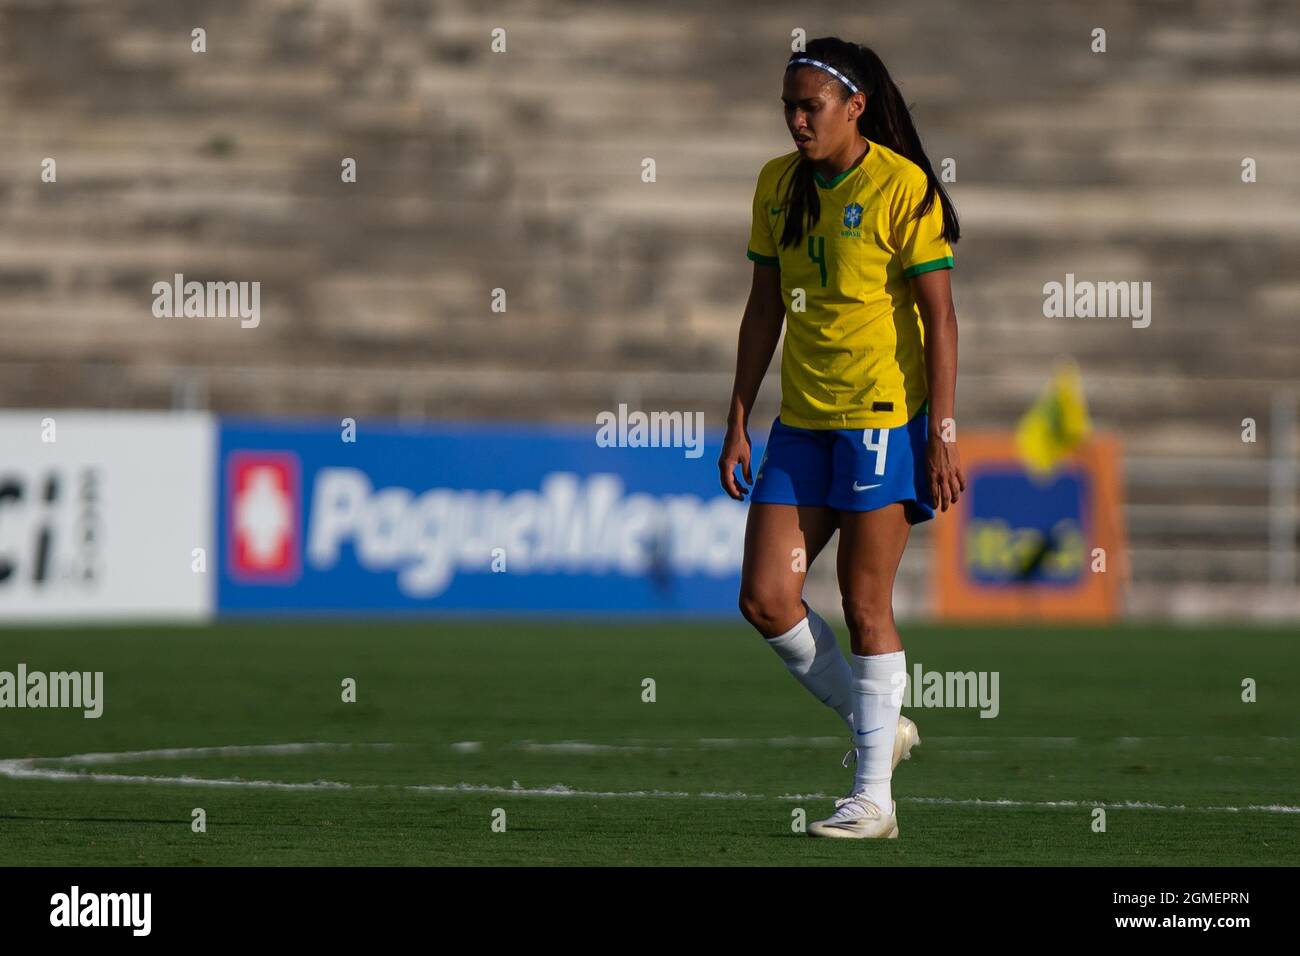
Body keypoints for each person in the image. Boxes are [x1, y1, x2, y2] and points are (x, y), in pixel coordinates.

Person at [719, 37, 966, 839]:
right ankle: (880, 724)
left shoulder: (904, 188)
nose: (796, 120)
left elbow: (940, 317)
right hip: (801, 424)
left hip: (883, 423)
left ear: (855, 107)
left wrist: (944, 434)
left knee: (866, 606)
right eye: (788, 106)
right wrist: (736, 419)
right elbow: (763, 308)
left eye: (810, 106)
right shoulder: (776, 184)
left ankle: (874, 802)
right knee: (766, 598)